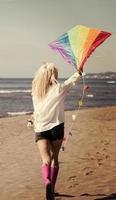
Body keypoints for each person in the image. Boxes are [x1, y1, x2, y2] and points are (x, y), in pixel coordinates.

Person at [31, 62, 81, 200]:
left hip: (41, 128)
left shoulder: (36, 92)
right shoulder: (58, 89)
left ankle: (47, 181)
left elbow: (36, 110)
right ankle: (52, 189)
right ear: (53, 75)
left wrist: (31, 120)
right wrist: (78, 72)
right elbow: (71, 82)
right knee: (55, 159)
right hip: (57, 128)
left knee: (45, 160)